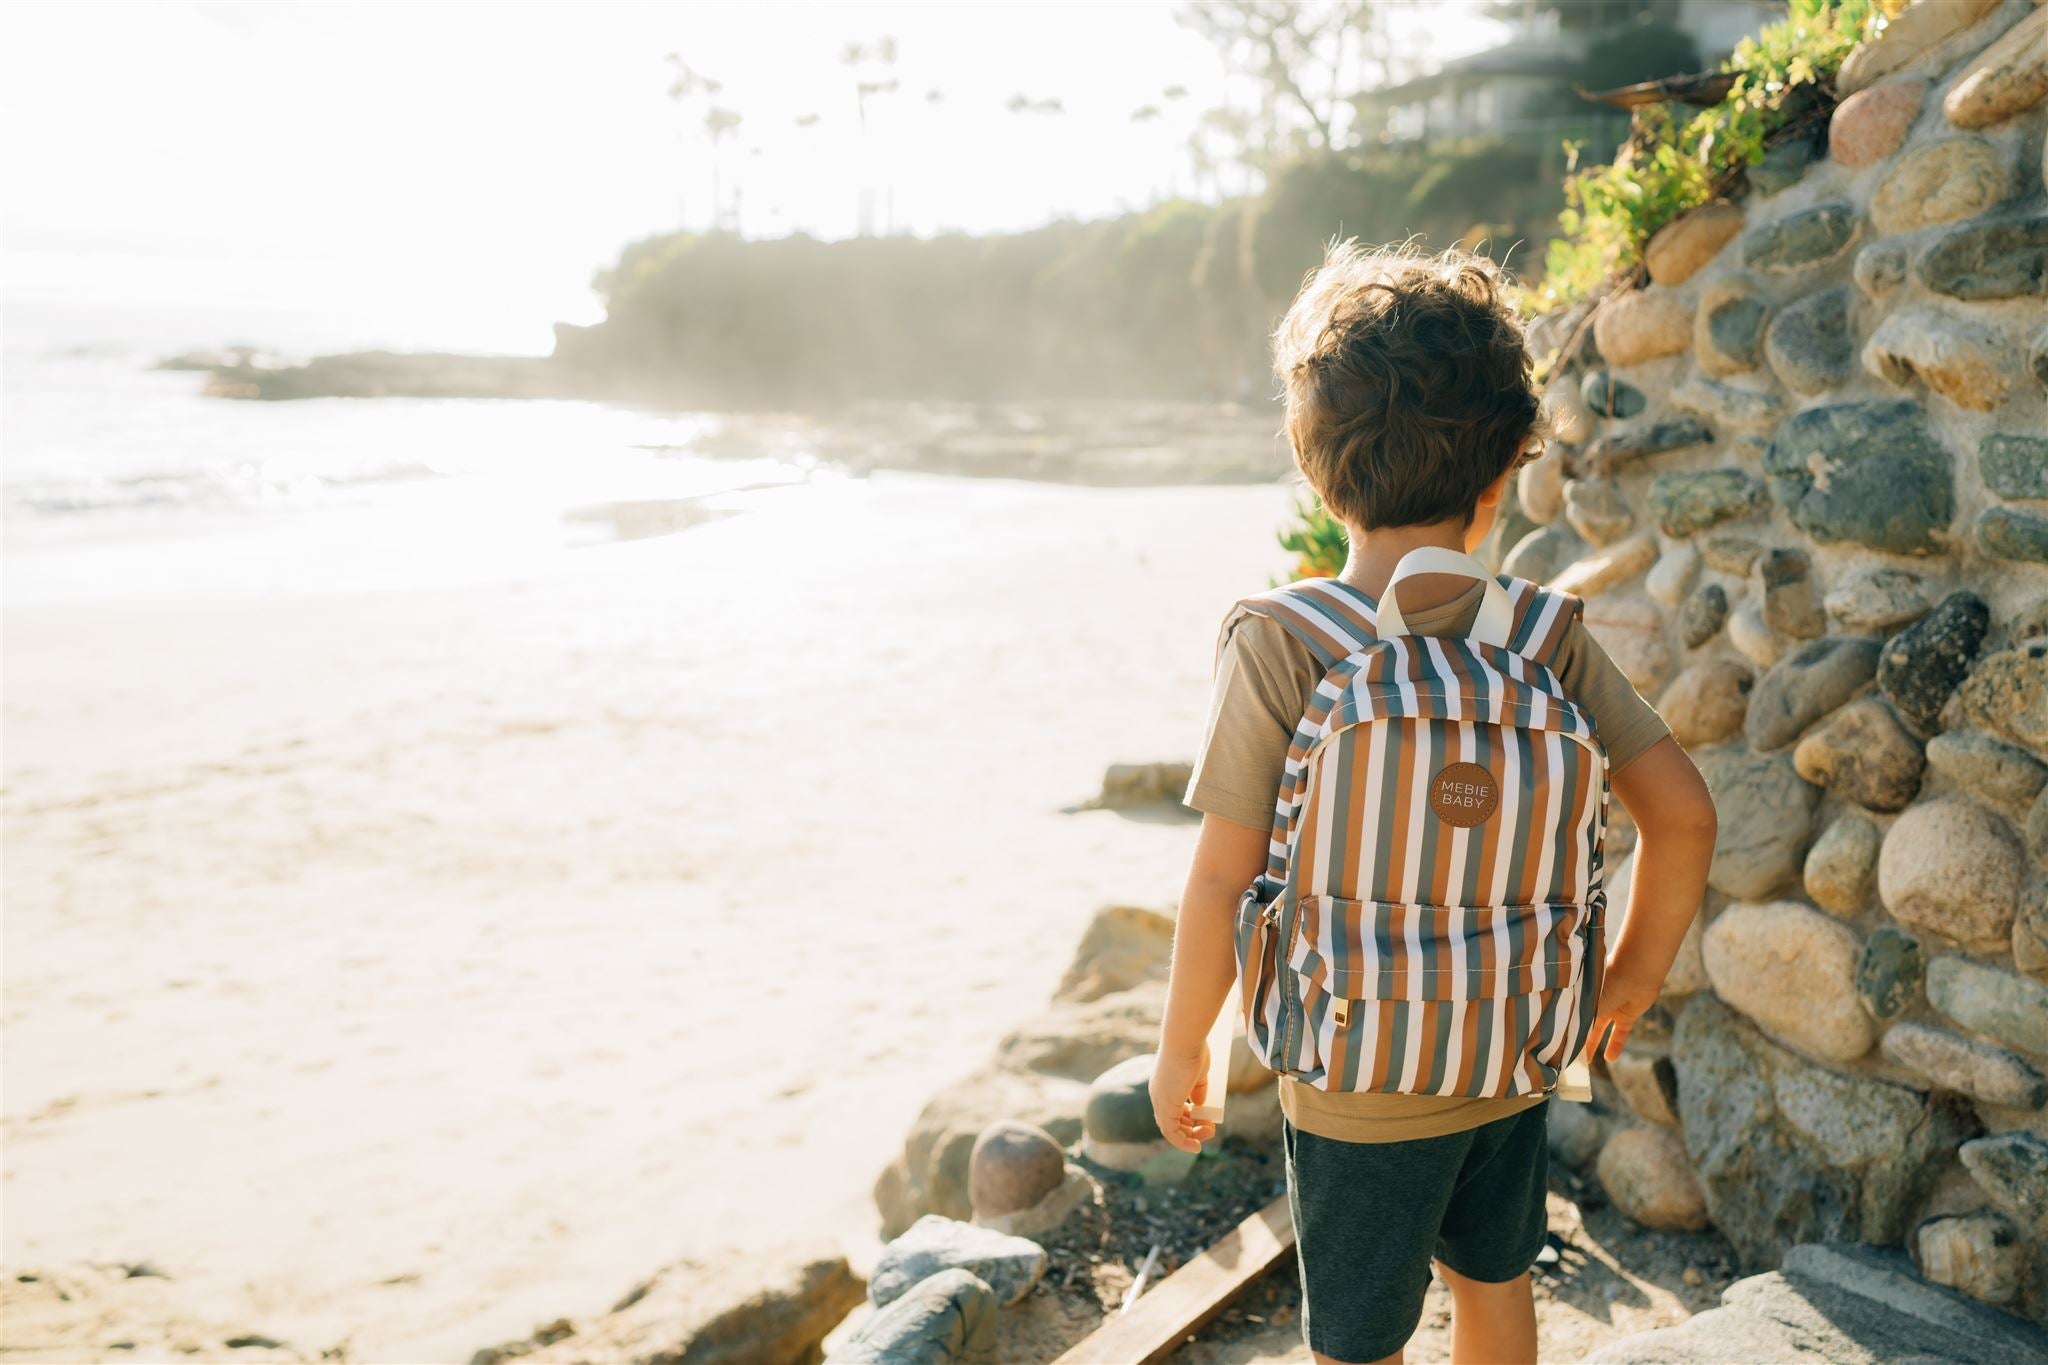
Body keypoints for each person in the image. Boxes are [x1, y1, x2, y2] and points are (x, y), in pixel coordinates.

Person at [1148, 241, 1718, 1365]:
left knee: (1361, 1339)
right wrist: (1627, 978)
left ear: (1315, 469)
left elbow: (1221, 877)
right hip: (1511, 1046)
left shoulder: (1284, 640)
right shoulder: (1545, 636)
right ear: (1502, 471)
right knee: (1495, 1284)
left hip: (1352, 1072)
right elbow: (1684, 815)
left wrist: (1182, 1047)